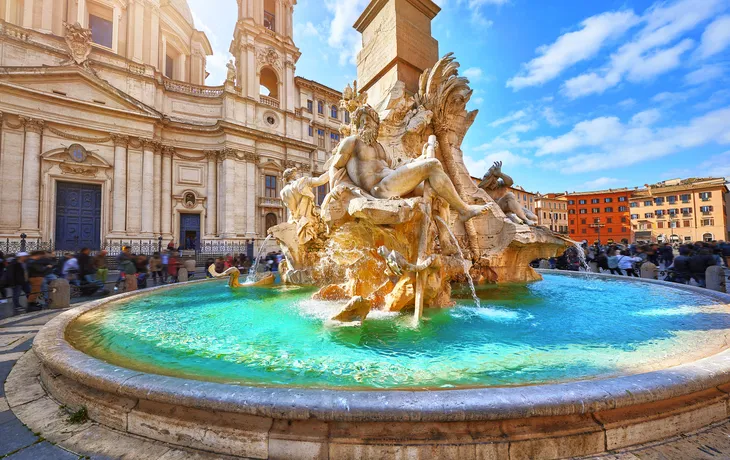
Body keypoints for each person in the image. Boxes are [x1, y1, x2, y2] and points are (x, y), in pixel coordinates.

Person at [327, 107, 493, 223]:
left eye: (368, 120)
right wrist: (341, 188)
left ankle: (444, 240)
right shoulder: (351, 142)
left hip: (391, 184)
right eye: (361, 121)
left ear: (376, 124)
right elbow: (335, 167)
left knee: (439, 194)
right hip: (378, 189)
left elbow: (395, 170)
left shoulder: (380, 148)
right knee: (433, 164)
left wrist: (421, 157)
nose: (364, 124)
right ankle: (464, 210)